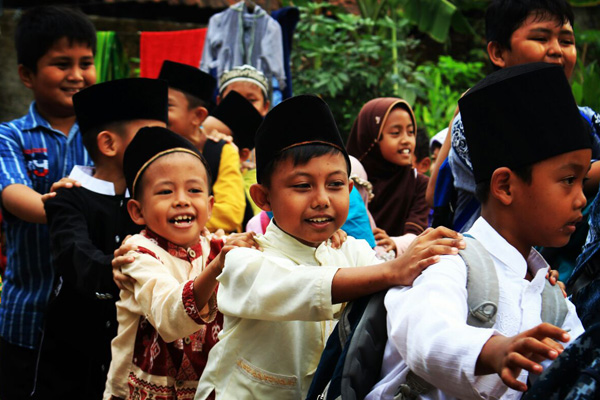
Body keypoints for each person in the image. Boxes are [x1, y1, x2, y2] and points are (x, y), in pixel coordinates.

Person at [194, 94, 466, 399]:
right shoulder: (245, 256)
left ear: (350, 191)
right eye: (302, 186)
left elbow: (395, 298)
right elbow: (297, 285)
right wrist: (394, 269)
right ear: (263, 198)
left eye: (335, 185)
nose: (322, 199)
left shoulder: (352, 251)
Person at [367, 63, 587, 400]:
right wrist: (494, 351)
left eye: (584, 180)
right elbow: (426, 336)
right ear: (505, 187)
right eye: (568, 180)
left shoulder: (554, 300)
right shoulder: (448, 262)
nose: (582, 198)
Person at [32, 78, 168, 399]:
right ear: (108, 144)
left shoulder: (153, 200)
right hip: (73, 351)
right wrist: (117, 268)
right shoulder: (67, 198)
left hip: (133, 353)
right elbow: (75, 255)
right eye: (151, 135)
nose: (161, 146)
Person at [103, 126, 255, 400]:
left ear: (210, 206)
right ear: (137, 211)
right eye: (165, 192)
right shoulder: (137, 254)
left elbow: (276, 256)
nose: (182, 200)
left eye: (194, 189)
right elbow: (170, 318)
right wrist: (217, 267)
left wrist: (322, 240)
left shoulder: (217, 246)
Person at [429, 0, 600, 234]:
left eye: (567, 41)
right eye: (541, 38)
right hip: (487, 263)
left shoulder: (585, 119)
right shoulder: (482, 119)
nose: (557, 50)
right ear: (498, 52)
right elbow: (547, 180)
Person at [0, 6, 96, 398]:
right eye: (61, 64)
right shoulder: (10, 138)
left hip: (94, 322)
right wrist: (81, 206)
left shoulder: (107, 136)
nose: (77, 75)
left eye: (86, 63)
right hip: (26, 319)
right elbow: (15, 196)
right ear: (27, 75)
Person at [158, 60, 246, 234]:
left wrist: (168, 219)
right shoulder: (154, 152)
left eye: (167, 106)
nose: (157, 112)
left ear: (198, 115)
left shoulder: (222, 151)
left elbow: (230, 213)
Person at [347, 98, 430, 256]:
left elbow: (417, 232)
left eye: (411, 132)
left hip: (400, 264)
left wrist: (394, 243)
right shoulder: (352, 178)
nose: (406, 140)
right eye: (395, 133)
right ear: (372, 138)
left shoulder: (418, 183)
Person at [204, 90, 264, 222]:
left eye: (215, 142)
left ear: (243, 155)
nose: (206, 145)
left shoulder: (254, 182)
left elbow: (235, 214)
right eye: (203, 134)